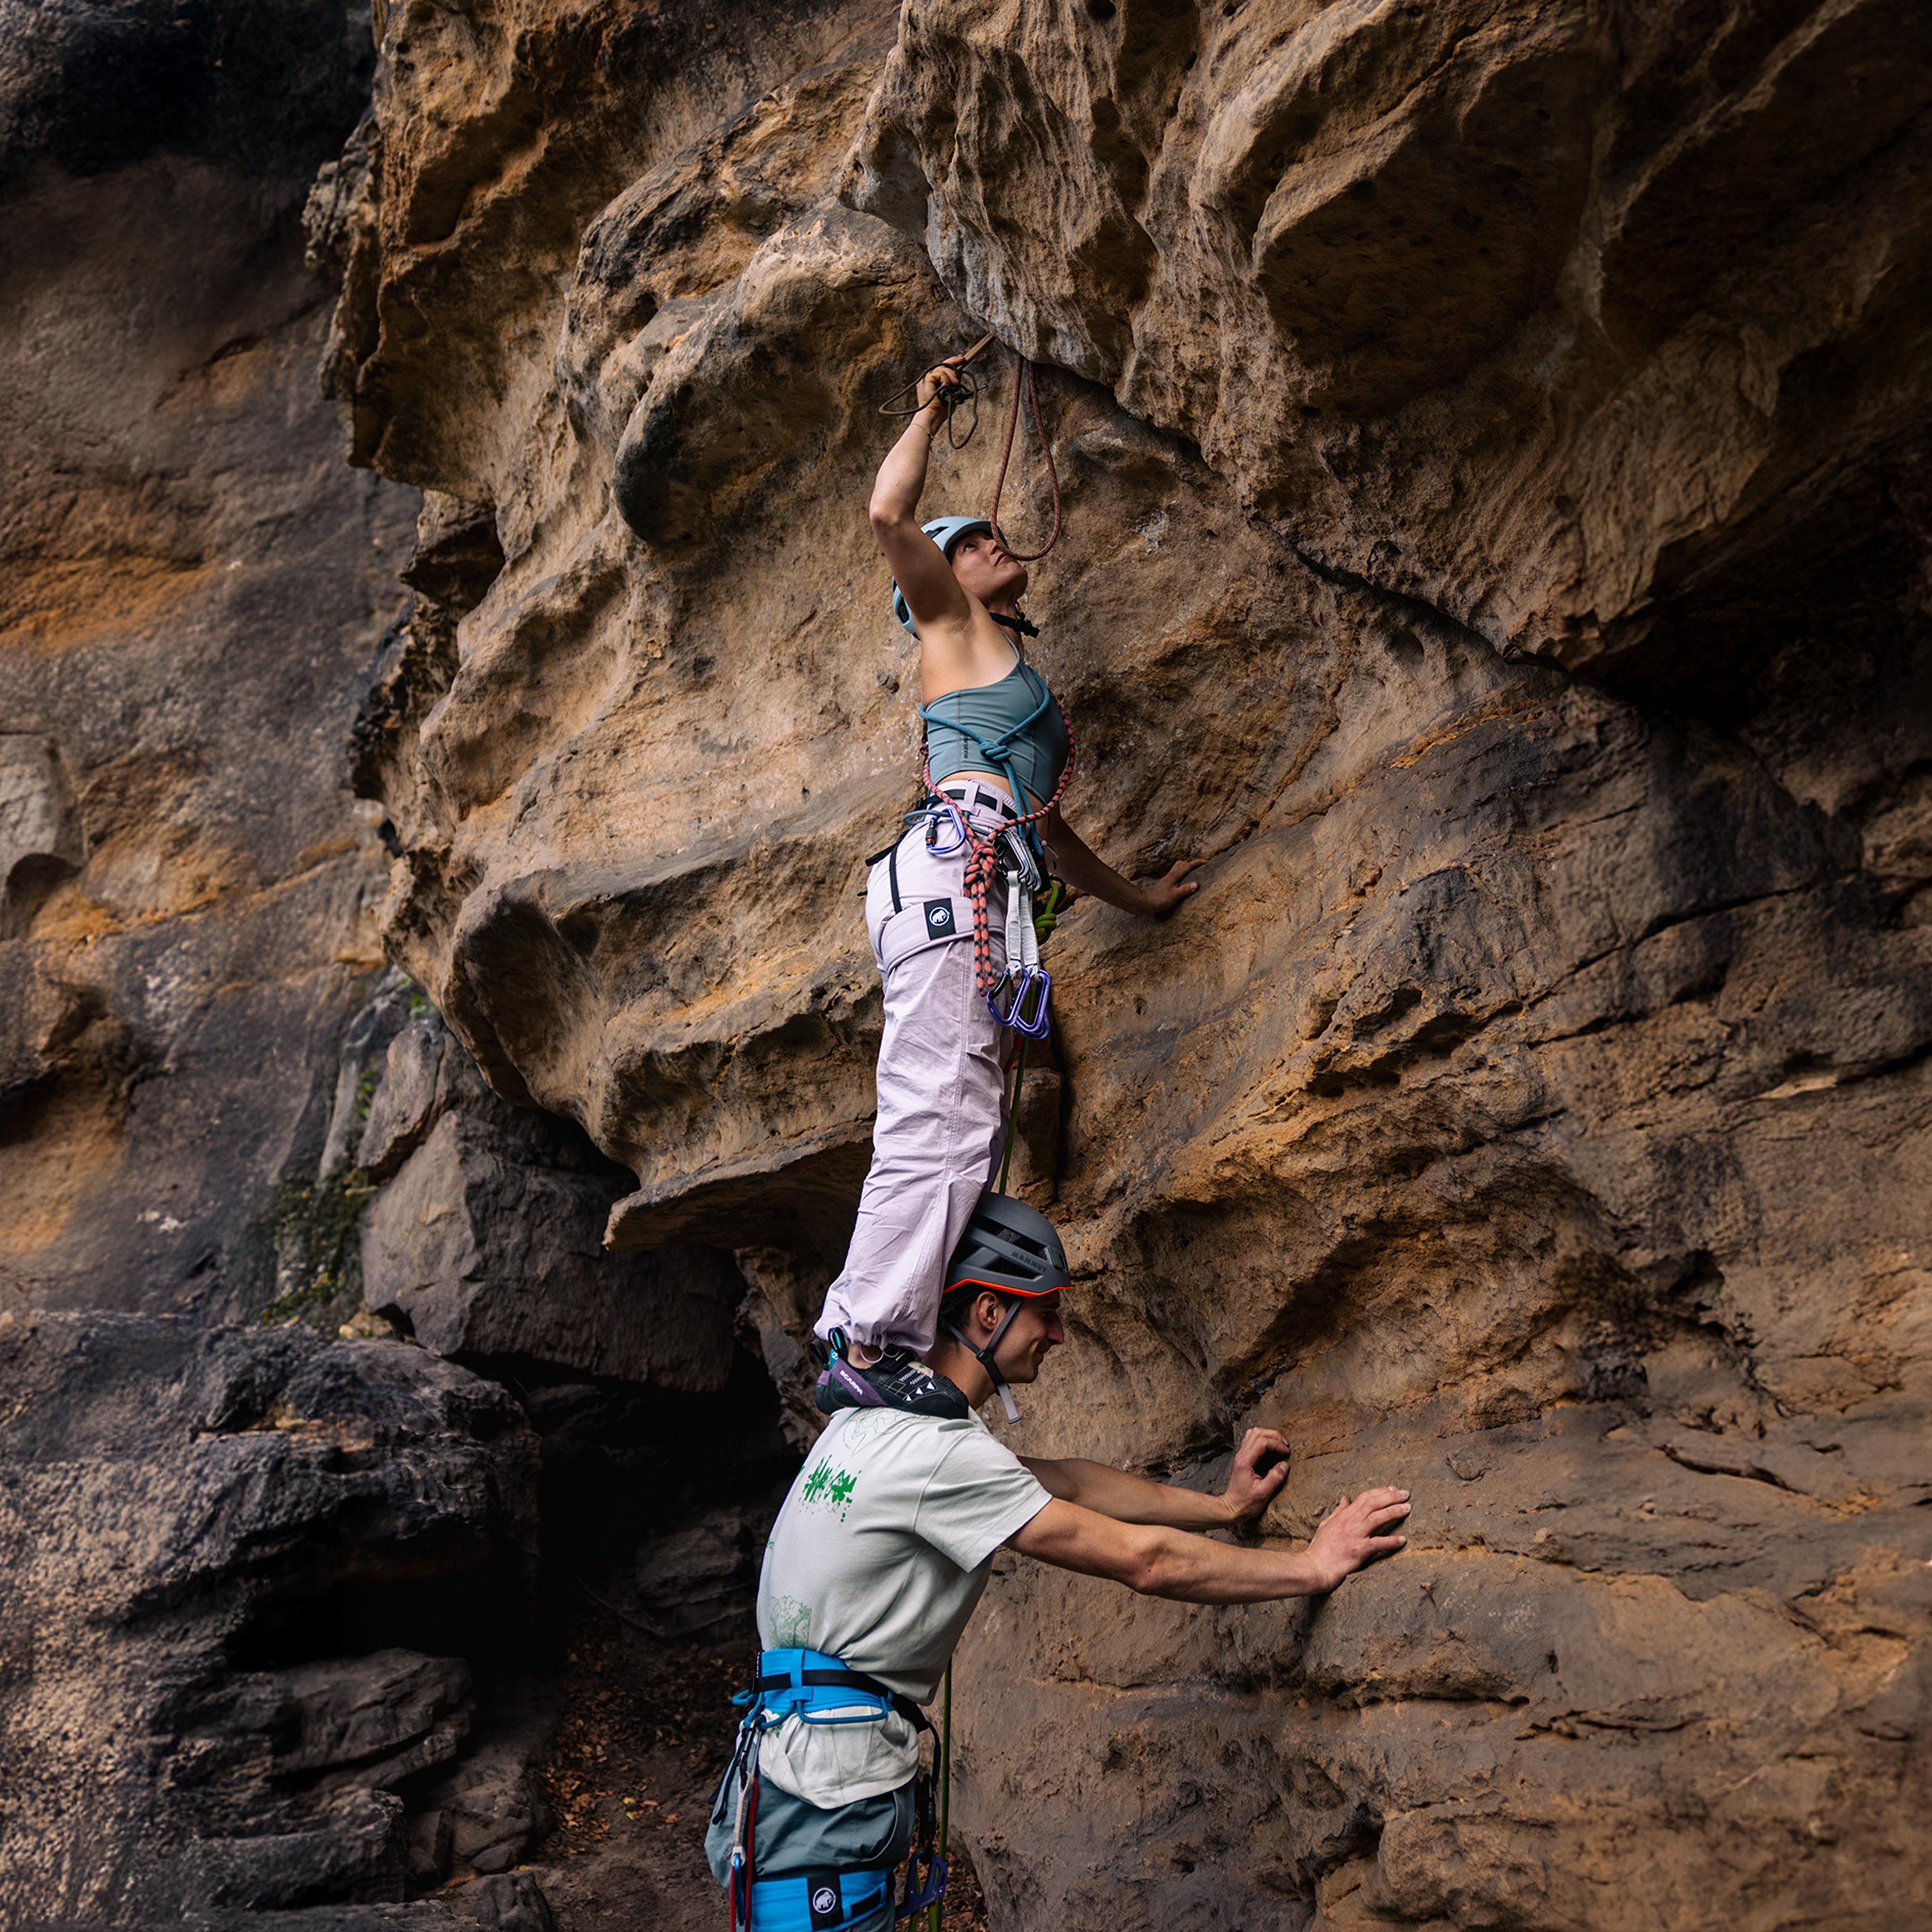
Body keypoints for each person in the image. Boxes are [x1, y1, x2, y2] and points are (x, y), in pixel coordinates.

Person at [713, 1194, 1411, 1930]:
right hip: (826, 1800)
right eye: (1045, 1310)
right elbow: (1143, 1563)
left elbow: (1072, 1482)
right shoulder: (936, 1453)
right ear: (988, 1310)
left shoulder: (874, 1417)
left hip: (782, 1782)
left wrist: (1225, 1508)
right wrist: (1312, 1566)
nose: (1061, 1334)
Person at [814, 356, 1206, 1419]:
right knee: (938, 1114)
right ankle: (864, 1335)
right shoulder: (947, 625)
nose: (990, 540)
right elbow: (885, 508)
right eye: (967, 543)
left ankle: (902, 1331)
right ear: (933, 584)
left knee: (970, 1123)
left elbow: (1054, 834)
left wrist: (1139, 899)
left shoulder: (999, 665)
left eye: (985, 534)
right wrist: (931, 405)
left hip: (978, 876)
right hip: (954, 874)